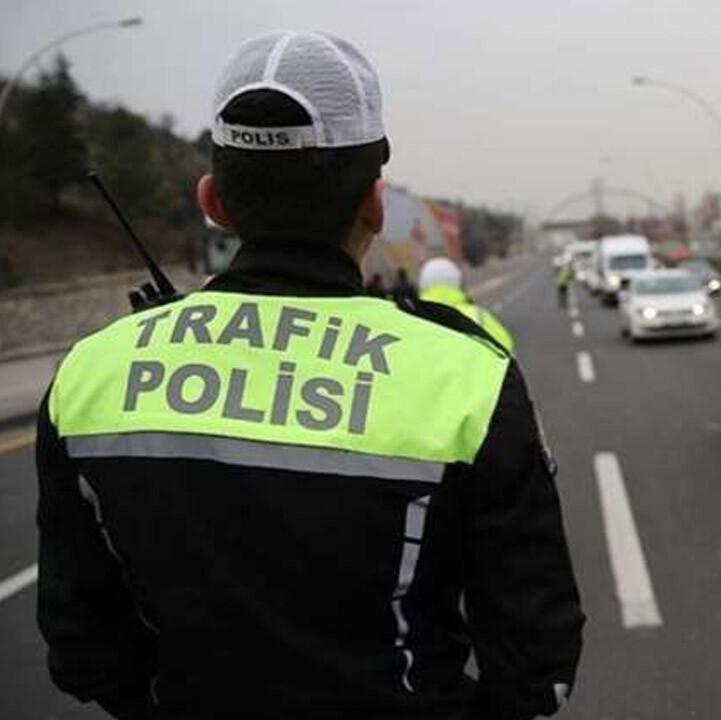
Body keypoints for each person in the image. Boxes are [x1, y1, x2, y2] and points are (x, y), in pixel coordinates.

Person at [36, 31, 583, 720]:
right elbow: (537, 663)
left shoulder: (93, 373)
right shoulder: (466, 376)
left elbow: (82, 649)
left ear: (214, 200)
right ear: (374, 204)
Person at [418, 258, 516, 353]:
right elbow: (507, 352)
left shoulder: (413, 321)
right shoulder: (479, 317)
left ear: (422, 285)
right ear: (459, 283)